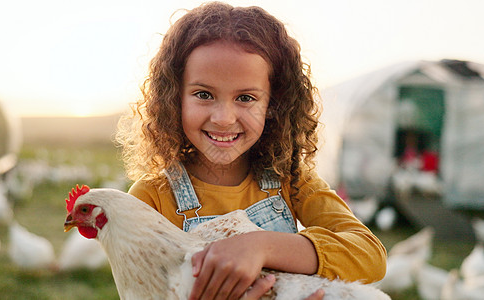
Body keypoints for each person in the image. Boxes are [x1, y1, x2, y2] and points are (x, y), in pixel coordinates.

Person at [116, 2, 387, 299]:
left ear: (273, 104)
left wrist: (261, 247)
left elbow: (370, 255)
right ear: (174, 98)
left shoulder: (292, 181)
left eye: (245, 97)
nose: (223, 118)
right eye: (203, 94)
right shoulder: (150, 199)